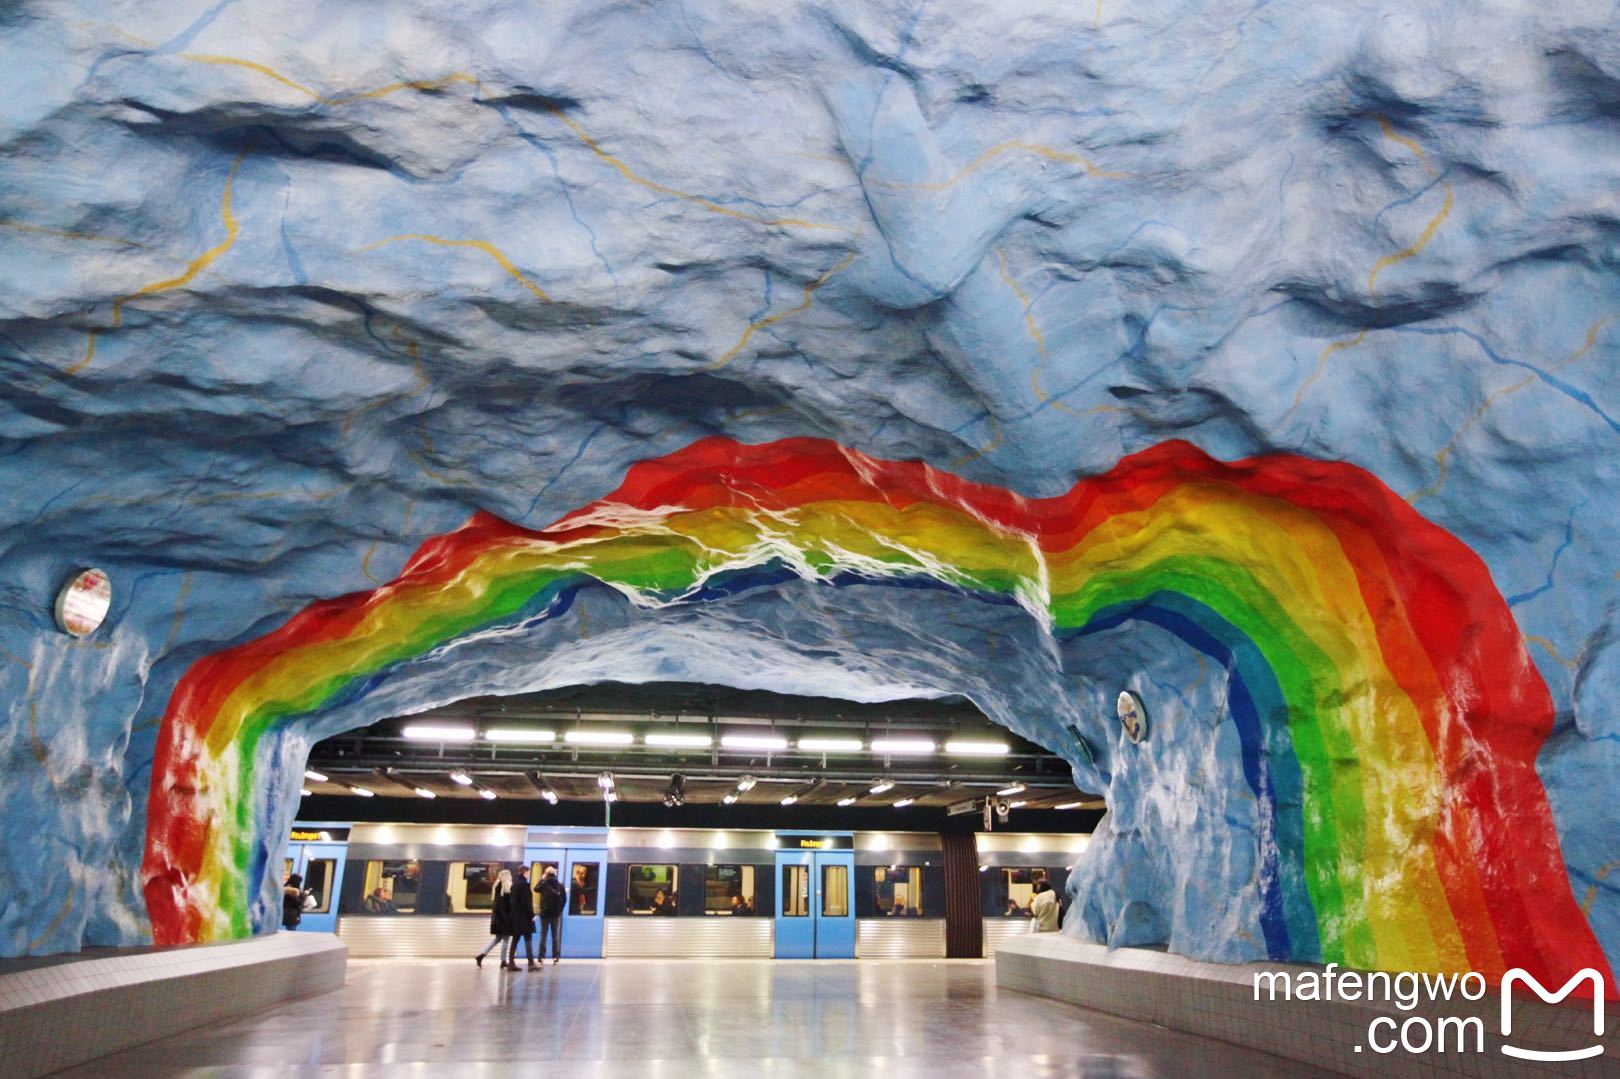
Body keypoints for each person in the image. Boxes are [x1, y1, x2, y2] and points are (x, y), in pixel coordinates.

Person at [474, 869, 513, 968]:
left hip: (497, 919)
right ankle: (503, 961)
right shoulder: (506, 888)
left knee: (497, 939)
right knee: (506, 940)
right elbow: (509, 906)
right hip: (505, 919)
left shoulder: (497, 887)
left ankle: (481, 955)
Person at [506, 865, 537, 970]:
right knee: (528, 938)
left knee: (515, 939)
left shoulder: (514, 884)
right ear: (525, 872)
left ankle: (511, 962)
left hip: (515, 917)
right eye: (528, 872)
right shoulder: (524, 885)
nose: (528, 875)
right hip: (524, 917)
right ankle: (531, 963)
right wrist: (532, 915)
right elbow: (526, 903)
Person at [536, 866, 566, 965]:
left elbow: (535, 889)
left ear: (546, 874)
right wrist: (559, 910)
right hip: (555, 914)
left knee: (543, 934)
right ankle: (555, 957)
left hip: (545, 913)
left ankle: (541, 956)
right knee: (555, 935)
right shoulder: (560, 885)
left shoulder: (544, 883)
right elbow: (564, 899)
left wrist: (542, 879)